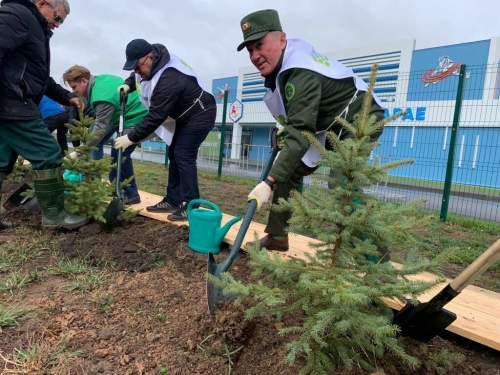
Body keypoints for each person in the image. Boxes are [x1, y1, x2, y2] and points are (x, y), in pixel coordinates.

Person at [238, 9, 386, 252]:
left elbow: (300, 131)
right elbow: (294, 115)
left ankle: (377, 259)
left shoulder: (299, 72)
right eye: (250, 50)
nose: (255, 55)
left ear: (282, 40)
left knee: (342, 183)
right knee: (291, 168)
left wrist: (268, 181)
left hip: (359, 117)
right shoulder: (285, 65)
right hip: (328, 123)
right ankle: (277, 235)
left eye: (260, 45)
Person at [0, 0, 87, 230]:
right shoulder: (18, 15)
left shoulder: (36, 29)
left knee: (1, 160)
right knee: (48, 152)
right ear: (42, 3)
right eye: (57, 18)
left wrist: (67, 96)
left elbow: (39, 78)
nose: (57, 25)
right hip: (12, 104)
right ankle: (55, 217)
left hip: (11, 103)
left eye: (61, 22)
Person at [114, 38, 216, 221]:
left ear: (150, 57)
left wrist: (130, 138)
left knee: (183, 155)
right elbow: (136, 77)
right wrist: (128, 84)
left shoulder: (169, 78)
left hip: (200, 113)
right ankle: (173, 199)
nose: (136, 72)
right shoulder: (147, 65)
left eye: (137, 67)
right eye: (133, 69)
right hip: (183, 114)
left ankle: (190, 204)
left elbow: (155, 117)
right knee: (175, 155)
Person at [62, 65, 148, 205]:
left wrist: (78, 152)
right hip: (119, 115)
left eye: (74, 87)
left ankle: (130, 194)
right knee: (109, 146)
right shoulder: (98, 80)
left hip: (136, 116)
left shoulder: (101, 97)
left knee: (120, 151)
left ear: (84, 81)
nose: (74, 91)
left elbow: (99, 129)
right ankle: (114, 186)